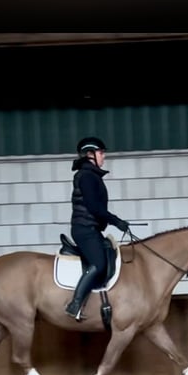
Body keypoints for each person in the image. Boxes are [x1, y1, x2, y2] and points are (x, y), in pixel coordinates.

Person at [64, 136, 130, 321]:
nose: (104, 157)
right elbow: (94, 207)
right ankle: (75, 304)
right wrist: (116, 221)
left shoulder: (91, 175)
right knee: (99, 264)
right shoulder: (86, 176)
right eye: (101, 153)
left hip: (91, 228)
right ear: (90, 155)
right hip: (84, 229)